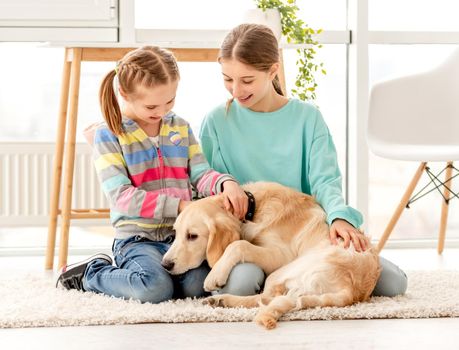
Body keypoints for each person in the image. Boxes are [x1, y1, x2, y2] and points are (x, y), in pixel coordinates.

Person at [199, 24, 408, 297]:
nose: (236, 90)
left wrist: (338, 217)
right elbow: (203, 181)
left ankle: (291, 278)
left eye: (247, 80)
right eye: (228, 79)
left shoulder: (308, 118)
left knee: (393, 283)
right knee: (241, 285)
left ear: (273, 71)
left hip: (302, 235)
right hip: (251, 238)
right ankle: (287, 279)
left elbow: (326, 180)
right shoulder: (216, 122)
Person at [55, 46, 247, 303]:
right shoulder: (109, 135)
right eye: (152, 105)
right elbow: (122, 197)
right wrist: (179, 206)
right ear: (124, 93)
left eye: (170, 101)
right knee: (154, 289)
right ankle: (92, 273)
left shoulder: (179, 127)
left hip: (177, 238)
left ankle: (156, 278)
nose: (163, 111)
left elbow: (200, 173)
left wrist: (226, 183)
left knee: (198, 285)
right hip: (137, 239)